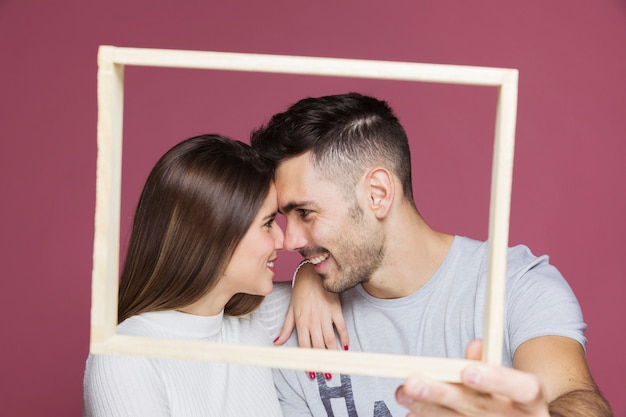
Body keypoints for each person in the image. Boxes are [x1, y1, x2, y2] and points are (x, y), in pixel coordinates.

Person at [251, 93, 613, 417]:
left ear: (377, 194)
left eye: (306, 213)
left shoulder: (515, 283)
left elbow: (577, 398)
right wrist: (307, 275)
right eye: (285, 217)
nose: (289, 240)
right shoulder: (289, 323)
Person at [83, 134, 344, 417]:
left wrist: (308, 274)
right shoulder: (125, 358)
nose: (283, 241)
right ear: (216, 236)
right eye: (268, 223)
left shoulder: (254, 321)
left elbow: (359, 280)